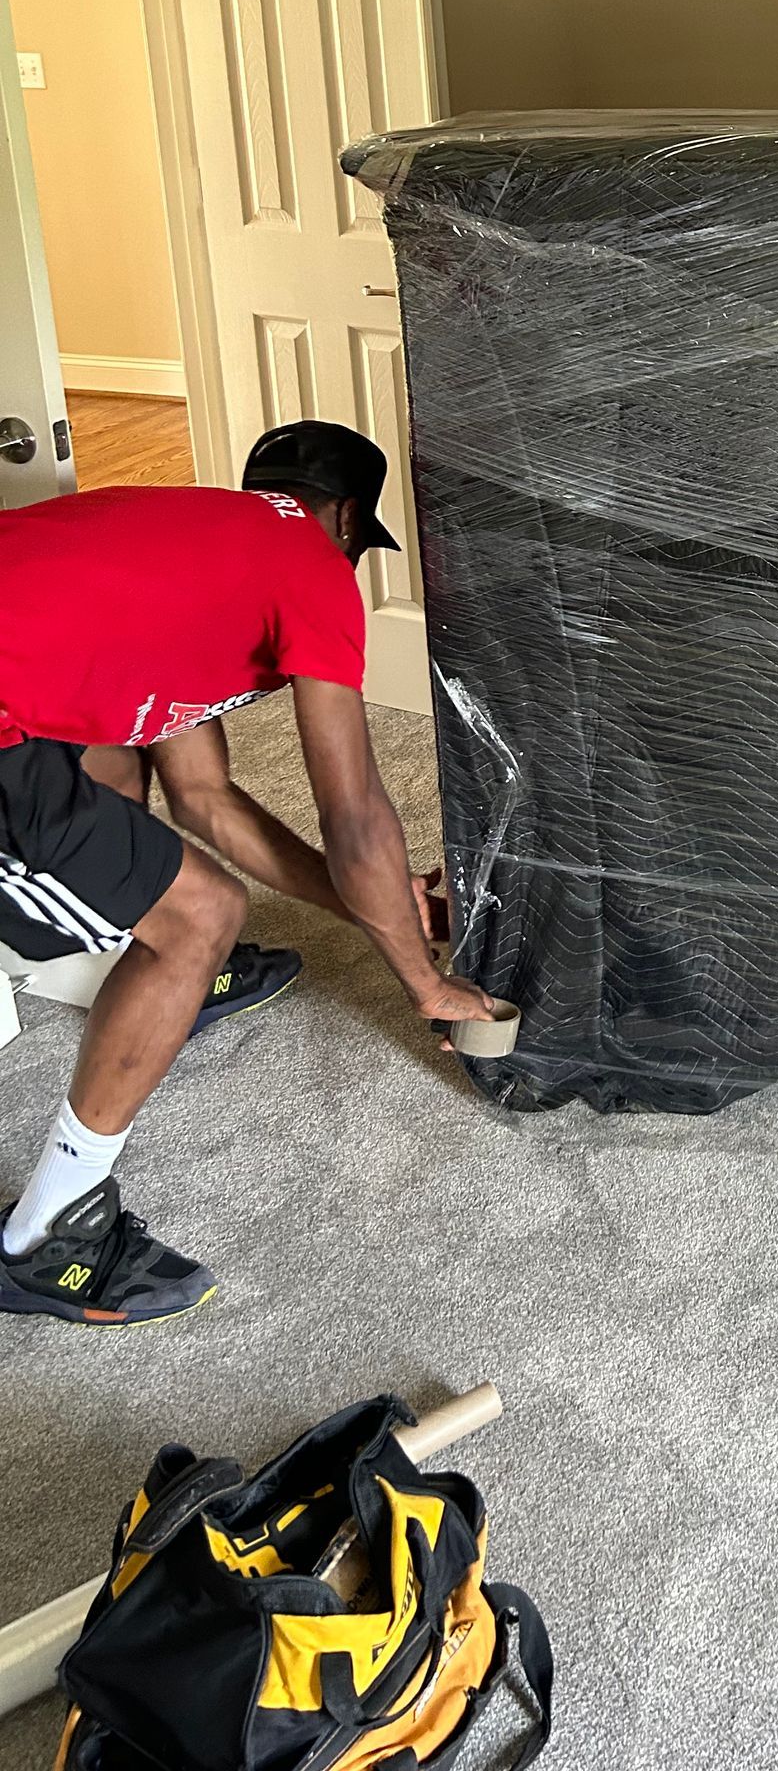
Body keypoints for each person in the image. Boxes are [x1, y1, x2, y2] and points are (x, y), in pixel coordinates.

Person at [0, 421, 494, 1326]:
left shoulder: (196, 553)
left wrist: (378, 915)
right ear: (346, 518)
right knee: (197, 916)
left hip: (20, 709)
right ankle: (45, 1242)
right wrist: (424, 980)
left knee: (151, 833)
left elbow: (207, 801)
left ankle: (167, 974)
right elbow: (356, 817)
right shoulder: (310, 567)